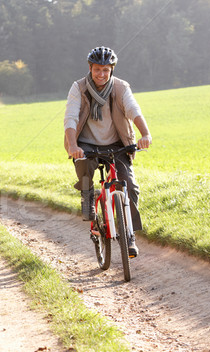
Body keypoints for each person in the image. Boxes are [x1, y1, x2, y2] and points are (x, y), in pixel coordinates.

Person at [64, 46, 152, 257]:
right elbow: (71, 118)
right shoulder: (79, 88)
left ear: (112, 69)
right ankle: (87, 196)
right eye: (97, 70)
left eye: (106, 70)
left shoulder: (121, 87)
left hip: (117, 143)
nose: (101, 74)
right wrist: (73, 146)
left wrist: (145, 134)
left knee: (129, 185)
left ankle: (129, 236)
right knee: (84, 167)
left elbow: (133, 109)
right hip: (86, 143)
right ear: (90, 68)